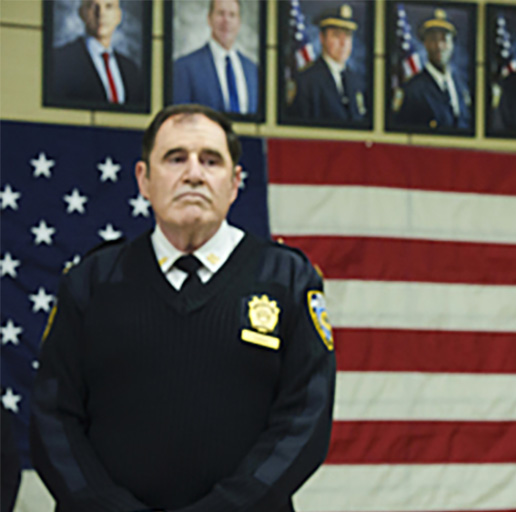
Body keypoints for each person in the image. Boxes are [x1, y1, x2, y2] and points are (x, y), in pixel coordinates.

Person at [30, 104, 336, 510]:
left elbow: (304, 420)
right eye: (176, 158)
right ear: (144, 179)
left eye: (211, 160)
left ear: (235, 182)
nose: (193, 173)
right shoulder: (91, 280)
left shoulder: (287, 279)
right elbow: (53, 417)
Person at [49, 0, 144, 107]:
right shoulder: (62, 60)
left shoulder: (131, 69)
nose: (101, 13)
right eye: (93, 6)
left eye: (109, 6)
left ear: (119, 16)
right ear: (82, 13)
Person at [173, 0, 259, 114]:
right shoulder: (185, 67)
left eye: (232, 15)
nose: (226, 21)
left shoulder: (253, 70)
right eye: (220, 13)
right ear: (209, 19)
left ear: (239, 22)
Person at [288, 5, 368, 125]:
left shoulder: (357, 81)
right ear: (322, 38)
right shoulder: (305, 81)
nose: (343, 43)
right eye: (336, 35)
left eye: (347, 35)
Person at [395, 8, 472, 131]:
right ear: (425, 43)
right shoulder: (413, 90)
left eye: (444, 39)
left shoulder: (461, 86)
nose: (439, 46)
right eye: (433, 40)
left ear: (452, 44)